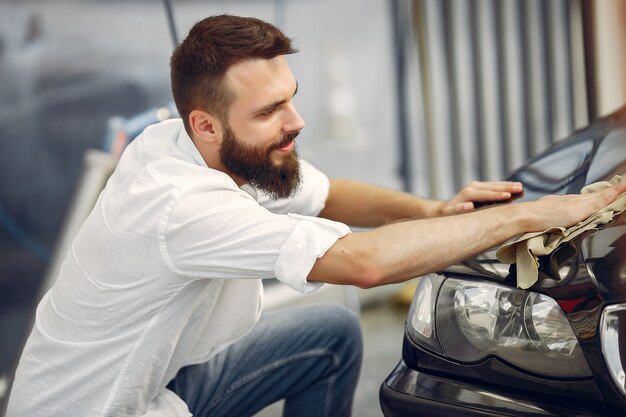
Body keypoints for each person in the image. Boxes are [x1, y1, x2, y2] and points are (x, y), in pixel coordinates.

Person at [7, 14, 626, 417]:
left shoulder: (180, 142)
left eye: (292, 99)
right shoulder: (179, 206)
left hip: (155, 394)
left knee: (327, 336)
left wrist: (433, 209)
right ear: (206, 123)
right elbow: (361, 263)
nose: (296, 122)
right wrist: (533, 216)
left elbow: (325, 194)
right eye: (270, 110)